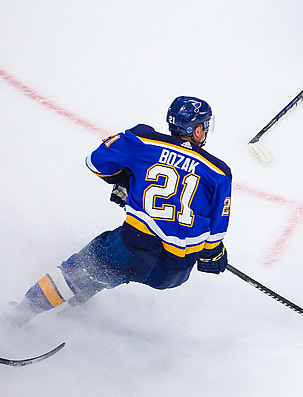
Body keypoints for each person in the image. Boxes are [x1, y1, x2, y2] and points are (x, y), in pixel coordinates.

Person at [7, 97, 232, 327]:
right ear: (195, 131)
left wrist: (126, 181)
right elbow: (216, 233)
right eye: (204, 126)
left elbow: (96, 162)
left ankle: (19, 315)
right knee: (111, 261)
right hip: (174, 272)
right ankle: (75, 307)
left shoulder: (143, 140)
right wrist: (212, 255)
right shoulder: (219, 173)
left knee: (85, 268)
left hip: (132, 248)